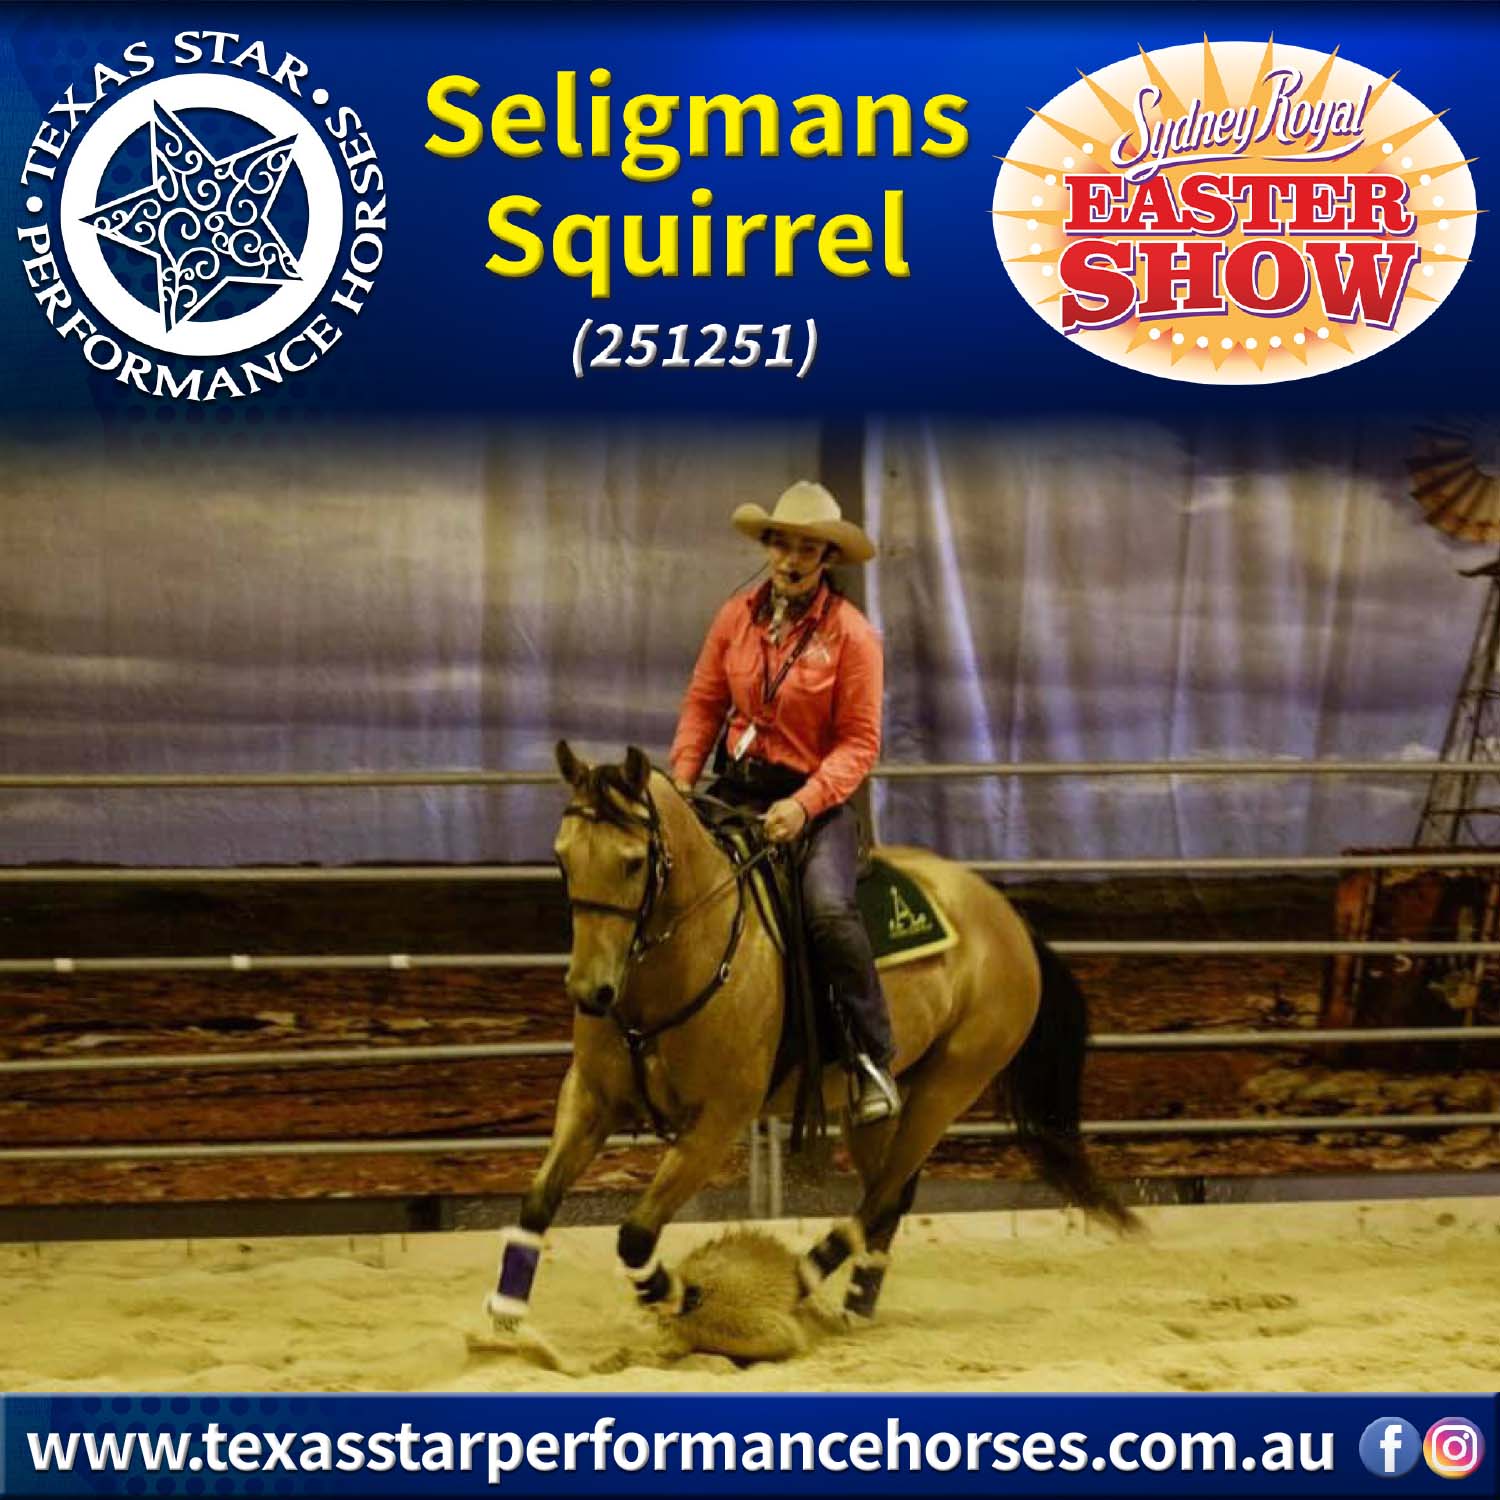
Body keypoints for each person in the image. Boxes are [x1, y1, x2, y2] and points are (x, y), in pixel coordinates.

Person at [669, 480, 901, 1126]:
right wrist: (682, 782)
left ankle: (871, 1057)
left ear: (827, 558)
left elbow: (859, 743)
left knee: (827, 911)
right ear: (768, 547)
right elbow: (704, 704)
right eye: (782, 545)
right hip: (735, 791)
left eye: (807, 549)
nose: (791, 560)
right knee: (667, 881)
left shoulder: (853, 637)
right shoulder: (734, 618)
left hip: (814, 804)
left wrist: (803, 805)